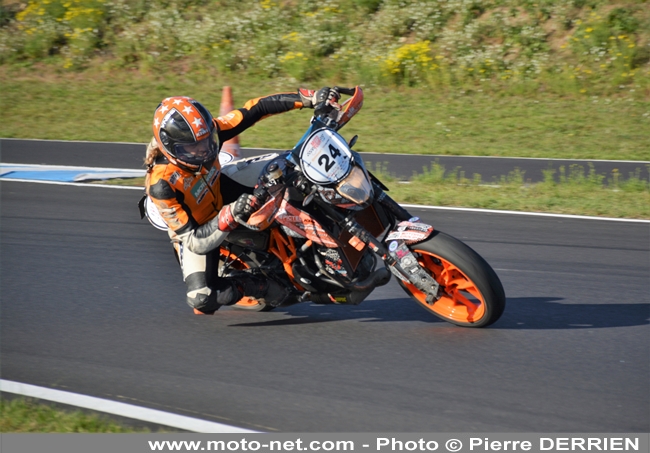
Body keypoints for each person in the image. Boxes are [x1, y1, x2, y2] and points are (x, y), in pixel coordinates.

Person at [143, 87, 340, 315]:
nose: (204, 151)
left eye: (207, 141)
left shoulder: (207, 133)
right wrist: (229, 215)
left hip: (220, 186)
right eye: (192, 148)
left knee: (294, 167)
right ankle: (263, 286)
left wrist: (308, 98)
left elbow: (254, 109)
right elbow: (194, 241)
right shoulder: (162, 184)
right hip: (199, 227)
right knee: (202, 298)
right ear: (170, 149)